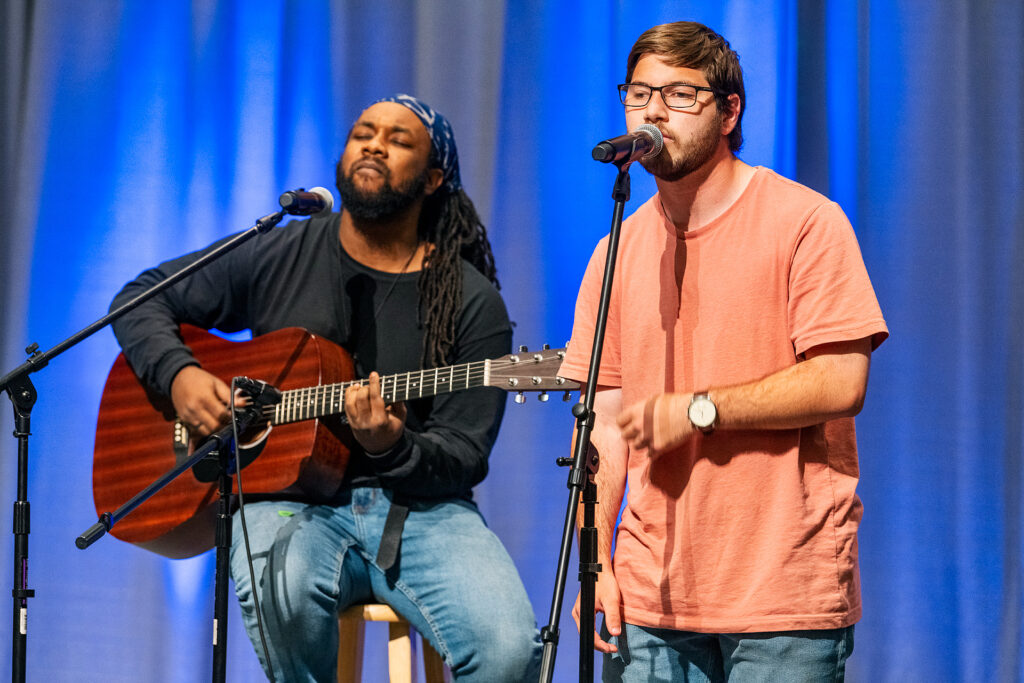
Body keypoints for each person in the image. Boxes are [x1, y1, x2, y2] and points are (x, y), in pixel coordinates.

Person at [109, 94, 541, 681]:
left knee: (508, 649)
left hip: (423, 511)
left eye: (398, 139)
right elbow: (139, 299)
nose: (374, 145)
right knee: (281, 590)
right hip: (288, 500)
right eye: (363, 132)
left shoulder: (470, 300)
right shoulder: (281, 248)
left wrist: (392, 446)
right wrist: (179, 375)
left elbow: (464, 454)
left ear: (433, 179)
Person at [559, 21, 889, 682]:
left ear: (729, 111)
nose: (653, 111)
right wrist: (597, 564)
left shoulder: (807, 223)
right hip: (651, 594)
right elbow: (605, 423)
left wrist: (699, 409)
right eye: (639, 94)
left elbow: (841, 380)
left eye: (679, 94)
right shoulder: (615, 250)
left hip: (782, 593)